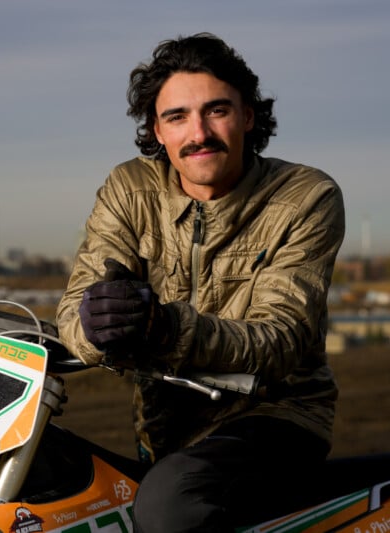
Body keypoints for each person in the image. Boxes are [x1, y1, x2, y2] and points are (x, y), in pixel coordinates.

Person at [55, 33, 345, 531]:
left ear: (248, 117)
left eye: (217, 111)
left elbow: (282, 339)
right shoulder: (129, 189)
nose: (199, 132)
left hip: (275, 415)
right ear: (157, 131)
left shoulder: (305, 196)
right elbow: (76, 305)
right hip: (164, 429)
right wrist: (93, 325)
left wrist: (165, 328)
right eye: (177, 117)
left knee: (170, 504)